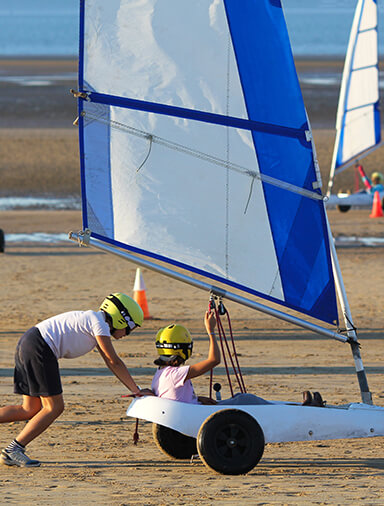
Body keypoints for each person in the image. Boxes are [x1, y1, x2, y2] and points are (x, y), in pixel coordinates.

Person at [0, 292, 152, 468]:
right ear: (121, 319)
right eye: (130, 328)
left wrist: (134, 389)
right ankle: (13, 450)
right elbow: (113, 361)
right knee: (55, 407)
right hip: (40, 348)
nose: (128, 334)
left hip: (28, 342)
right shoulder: (99, 324)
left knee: (29, 409)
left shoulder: (94, 321)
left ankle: (14, 450)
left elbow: (111, 363)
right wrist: (137, 390)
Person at [151, 310, 271, 406]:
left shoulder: (160, 373)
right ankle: (279, 410)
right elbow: (214, 360)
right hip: (197, 416)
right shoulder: (176, 374)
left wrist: (197, 399)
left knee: (239, 397)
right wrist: (211, 331)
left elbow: (175, 396)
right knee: (246, 399)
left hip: (195, 409)